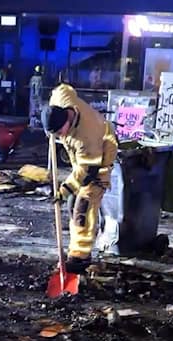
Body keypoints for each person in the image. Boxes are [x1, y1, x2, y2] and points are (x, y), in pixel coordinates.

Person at [41, 83, 118, 273]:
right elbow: (63, 88)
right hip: (82, 161)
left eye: (60, 132)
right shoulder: (61, 100)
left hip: (99, 160)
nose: (60, 136)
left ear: (67, 121)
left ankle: (80, 258)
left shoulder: (86, 137)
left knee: (83, 208)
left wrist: (63, 190)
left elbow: (86, 171)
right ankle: (88, 233)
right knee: (72, 204)